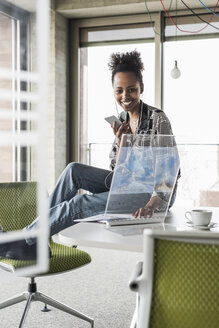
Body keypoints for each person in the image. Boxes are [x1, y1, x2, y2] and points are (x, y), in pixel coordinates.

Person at [0, 50, 175, 261]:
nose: (125, 96)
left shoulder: (158, 119)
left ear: (141, 89)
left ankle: (25, 240)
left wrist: (152, 204)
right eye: (119, 91)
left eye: (131, 90)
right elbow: (117, 170)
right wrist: (121, 143)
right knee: (73, 169)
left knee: (79, 203)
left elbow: (169, 169)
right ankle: (36, 240)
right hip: (127, 182)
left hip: (153, 193)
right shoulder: (122, 119)